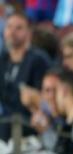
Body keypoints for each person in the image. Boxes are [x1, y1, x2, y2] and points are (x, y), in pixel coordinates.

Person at [0, 11, 50, 141]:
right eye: (9, 27)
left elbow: (44, 97)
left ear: (29, 33)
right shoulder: (2, 58)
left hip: (27, 123)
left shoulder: (38, 60)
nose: (12, 32)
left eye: (19, 28)